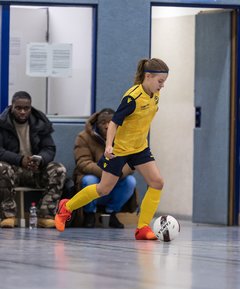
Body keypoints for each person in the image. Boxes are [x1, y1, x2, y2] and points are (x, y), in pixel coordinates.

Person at [55, 58, 169, 240]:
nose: (162, 86)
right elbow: (114, 123)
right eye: (160, 81)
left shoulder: (155, 94)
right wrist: (109, 145)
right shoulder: (132, 98)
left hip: (139, 147)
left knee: (157, 182)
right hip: (120, 149)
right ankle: (66, 207)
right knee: (103, 189)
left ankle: (142, 228)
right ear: (148, 76)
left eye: (164, 82)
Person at [0, 91, 66, 228]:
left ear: (31, 108)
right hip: (13, 169)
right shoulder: (2, 124)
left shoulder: (40, 123)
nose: (22, 112)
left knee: (58, 169)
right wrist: (20, 160)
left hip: (35, 170)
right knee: (1, 167)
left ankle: (45, 215)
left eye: (26, 108)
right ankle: (8, 215)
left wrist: (40, 160)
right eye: (18, 108)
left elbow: (49, 148)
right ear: (12, 107)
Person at [73, 108, 137, 228]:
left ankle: (111, 212)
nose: (107, 126)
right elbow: (83, 162)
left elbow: (132, 162)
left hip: (115, 182)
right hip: (97, 180)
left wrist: (119, 173)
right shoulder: (84, 137)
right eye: (103, 123)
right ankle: (89, 214)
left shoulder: (124, 139)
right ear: (97, 124)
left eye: (111, 123)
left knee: (130, 182)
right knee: (89, 180)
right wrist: (107, 172)